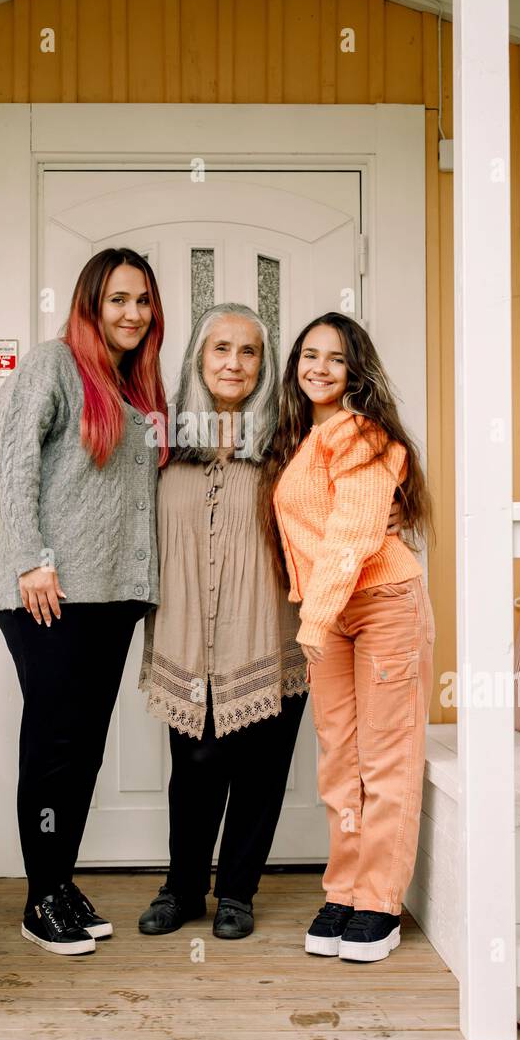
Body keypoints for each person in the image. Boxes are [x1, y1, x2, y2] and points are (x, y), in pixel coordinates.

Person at [0, 247, 168, 957]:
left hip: (110, 595)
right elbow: (11, 461)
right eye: (118, 299)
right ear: (91, 304)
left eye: (143, 301)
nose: (132, 313)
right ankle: (40, 900)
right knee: (57, 744)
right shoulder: (51, 364)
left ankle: (58, 883)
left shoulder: (135, 387)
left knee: (82, 748)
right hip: (50, 590)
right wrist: (32, 558)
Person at [265, 312, 434, 964]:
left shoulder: (362, 433)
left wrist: (312, 617)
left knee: (385, 755)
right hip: (330, 615)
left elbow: (357, 535)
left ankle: (380, 904)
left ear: (355, 370)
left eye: (335, 358)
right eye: (309, 355)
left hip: (383, 601)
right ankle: (344, 889)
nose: (319, 368)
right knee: (339, 757)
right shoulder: (299, 438)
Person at [137, 304, 308, 940]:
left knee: (261, 773)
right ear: (198, 358)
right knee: (197, 766)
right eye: (220, 349)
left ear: (265, 365)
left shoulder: (290, 443)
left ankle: (237, 892)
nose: (234, 363)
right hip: (189, 634)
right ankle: (182, 888)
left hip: (269, 631)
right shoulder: (163, 443)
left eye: (249, 352)